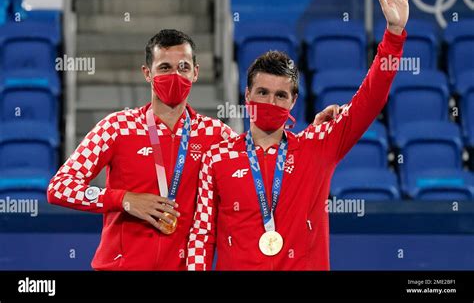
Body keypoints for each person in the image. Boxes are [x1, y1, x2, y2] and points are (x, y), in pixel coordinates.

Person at [47, 29, 340, 270]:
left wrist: (310, 133)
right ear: (147, 73)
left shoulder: (217, 135)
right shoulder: (117, 127)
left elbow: (262, 156)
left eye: (183, 67)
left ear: (196, 73)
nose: (175, 75)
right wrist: (123, 199)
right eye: (164, 67)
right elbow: (59, 188)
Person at [187, 0, 411, 270]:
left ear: (294, 101)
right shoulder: (217, 158)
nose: (270, 101)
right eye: (262, 92)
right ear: (247, 96)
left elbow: (371, 100)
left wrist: (393, 36)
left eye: (281, 96)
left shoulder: (318, 146)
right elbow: (201, 236)